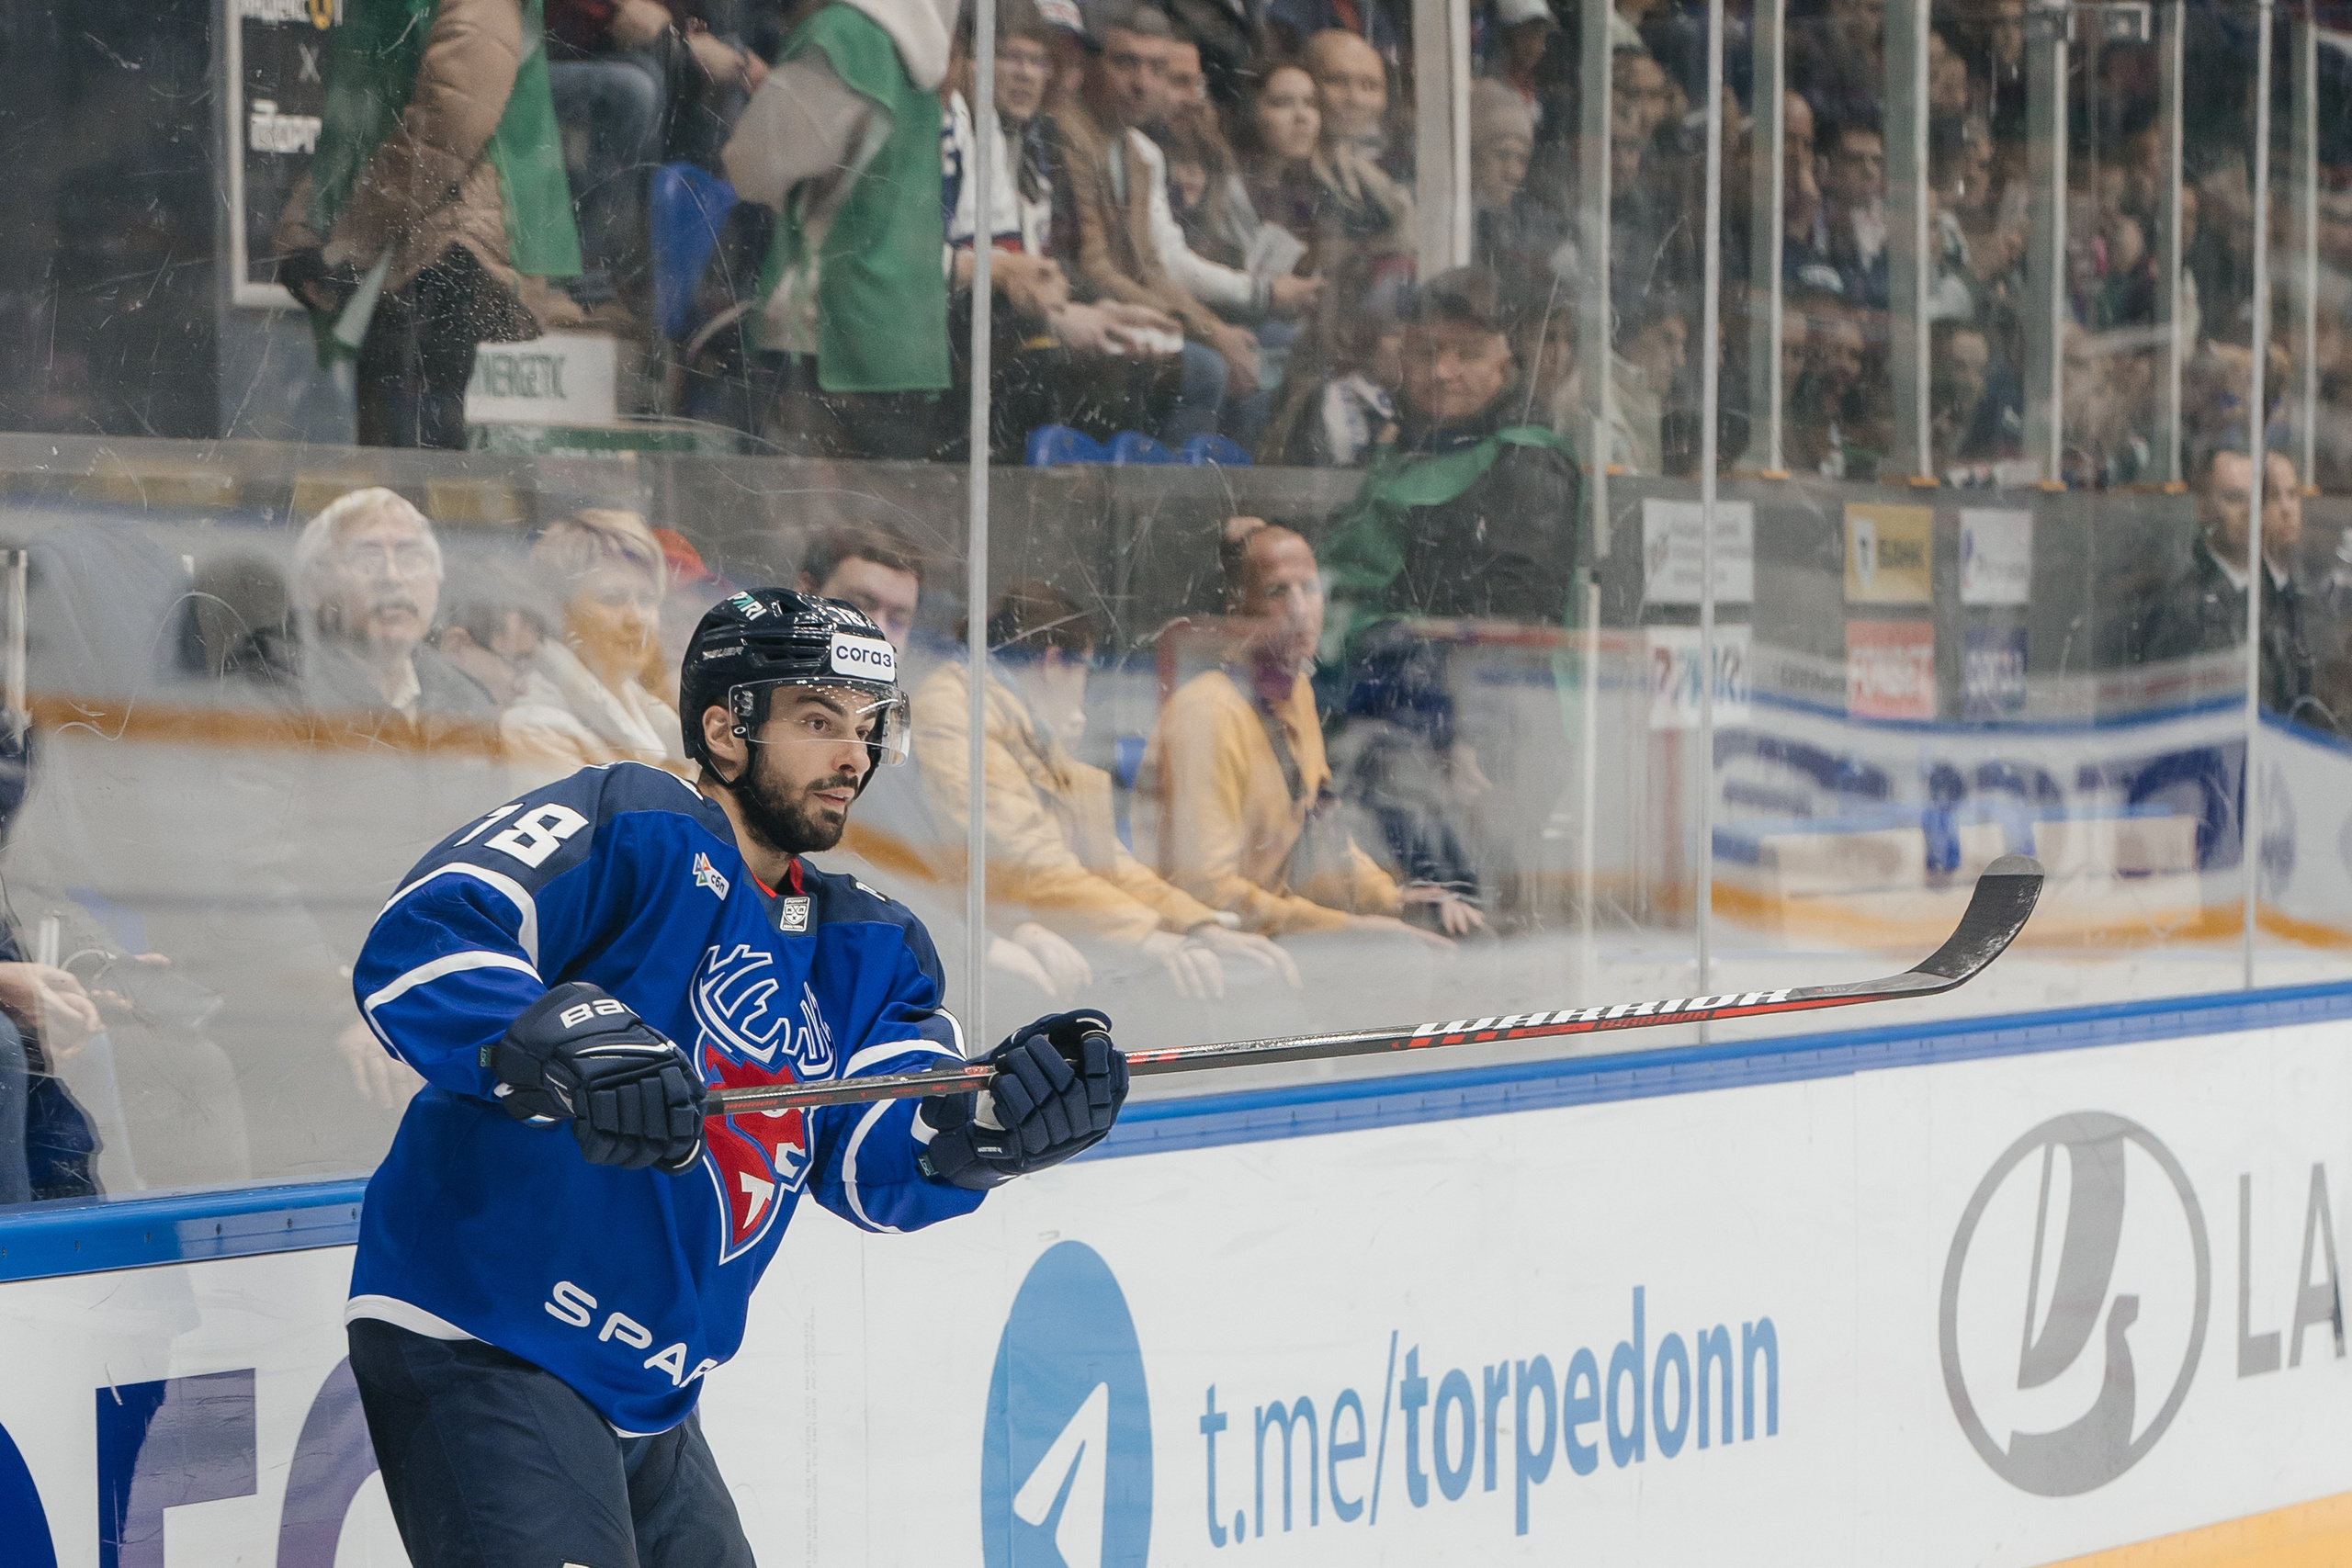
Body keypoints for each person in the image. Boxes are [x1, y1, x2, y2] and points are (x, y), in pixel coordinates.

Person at [343, 588, 1131, 1567]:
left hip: (654, 1396)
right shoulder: (635, 822)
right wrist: (559, 1037)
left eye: (865, 727)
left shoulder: (870, 945)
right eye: (816, 721)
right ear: (725, 729)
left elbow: (870, 1161)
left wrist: (989, 1128)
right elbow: (426, 933)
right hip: (487, 1332)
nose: (853, 756)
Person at [912, 582, 1300, 1006]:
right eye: (1087, 671)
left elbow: (1106, 861)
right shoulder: (958, 714)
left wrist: (1196, 926)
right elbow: (1028, 865)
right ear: (1055, 662)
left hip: (1045, 926)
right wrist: (1154, 939)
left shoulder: (1016, 719)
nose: (1085, 691)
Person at [796, 525, 1098, 1003]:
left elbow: (937, 855)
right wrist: (978, 945)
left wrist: (1014, 925)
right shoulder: (778, 724)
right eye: (858, 605)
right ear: (805, 594)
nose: (876, 631)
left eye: (898, 618)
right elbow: (830, 866)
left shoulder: (888, 728)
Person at [1139, 521, 1476, 940]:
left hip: (1268, 938)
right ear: (1236, 611)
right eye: (1278, 592)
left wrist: (1391, 899)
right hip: (1210, 952)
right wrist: (1350, 927)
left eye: (1310, 588)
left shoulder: (1297, 693)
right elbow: (1206, 890)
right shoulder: (1207, 713)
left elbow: (1321, 830)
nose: (1300, 610)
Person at [276, 0, 583, 449]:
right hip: (392, 229)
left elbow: (447, 122)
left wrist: (345, 241)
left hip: (445, 239)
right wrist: (304, 231)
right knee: (388, 434)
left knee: (419, 437)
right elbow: (355, 120)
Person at [722, 0, 958, 457]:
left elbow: (751, 167)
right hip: (903, 336)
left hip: (823, 327)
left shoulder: (844, 36)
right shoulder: (924, 56)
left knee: (810, 520)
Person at [1057, 5, 1262, 441]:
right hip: (1080, 309)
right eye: (1126, 62)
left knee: (1243, 355)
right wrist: (1201, 330)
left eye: (1156, 68)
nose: (1141, 82)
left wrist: (1212, 328)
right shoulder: (1069, 134)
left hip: (1124, 308)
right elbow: (1093, 266)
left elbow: (1151, 266)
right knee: (1205, 368)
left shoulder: (1134, 151)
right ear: (1093, 63)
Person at [229, 488, 494, 726]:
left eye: (412, 559)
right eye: (367, 560)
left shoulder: (466, 699)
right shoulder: (269, 690)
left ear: (438, 582)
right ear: (313, 587)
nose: (392, 577)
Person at [2135, 447, 2332, 731]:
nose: (2250, 511)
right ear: (2203, 509)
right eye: (2235, 498)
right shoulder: (2183, 605)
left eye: (2257, 498)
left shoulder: (2278, 594)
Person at [501, 510, 691, 788]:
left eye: (647, 598)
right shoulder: (537, 727)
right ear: (561, 613)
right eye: (612, 598)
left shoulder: (659, 718)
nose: (636, 618)